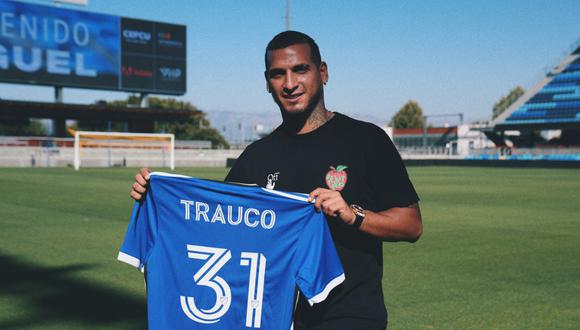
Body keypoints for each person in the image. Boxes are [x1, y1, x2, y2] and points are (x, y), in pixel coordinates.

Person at [131, 30, 422, 330]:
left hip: (350, 317)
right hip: (273, 318)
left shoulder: (366, 140)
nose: (290, 83)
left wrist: (352, 215)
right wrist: (156, 202)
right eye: (278, 74)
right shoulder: (256, 157)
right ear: (268, 83)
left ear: (323, 73)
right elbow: (216, 229)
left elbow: (411, 225)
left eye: (300, 70)